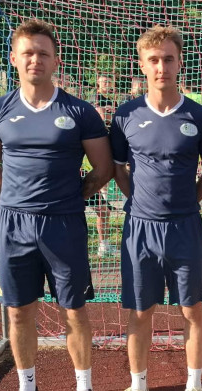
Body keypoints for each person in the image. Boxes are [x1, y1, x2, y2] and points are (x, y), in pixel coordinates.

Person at [0, 19, 112, 391]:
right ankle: (27, 389)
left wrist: (70, 197)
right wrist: (17, 195)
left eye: (43, 53)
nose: (35, 59)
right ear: (14, 59)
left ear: (56, 61)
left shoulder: (80, 111)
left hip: (64, 223)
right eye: (28, 53)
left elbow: (103, 169)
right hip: (14, 224)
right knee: (19, 310)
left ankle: (84, 390)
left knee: (74, 309)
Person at [106, 25, 202, 391]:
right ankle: (139, 389)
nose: (161, 67)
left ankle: (194, 388)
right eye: (153, 60)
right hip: (140, 228)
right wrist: (138, 201)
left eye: (168, 59)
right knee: (140, 312)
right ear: (142, 65)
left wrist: (193, 199)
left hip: (185, 226)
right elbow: (118, 168)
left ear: (179, 62)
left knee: (192, 311)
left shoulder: (198, 115)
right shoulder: (126, 114)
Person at [88, 73, 119, 257]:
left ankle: (104, 246)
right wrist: (108, 113)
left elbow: (113, 118)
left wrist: (111, 113)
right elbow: (102, 115)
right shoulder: (95, 98)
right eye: (104, 82)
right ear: (98, 84)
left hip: (104, 149)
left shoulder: (112, 100)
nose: (108, 84)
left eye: (110, 81)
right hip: (84, 167)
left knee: (103, 209)